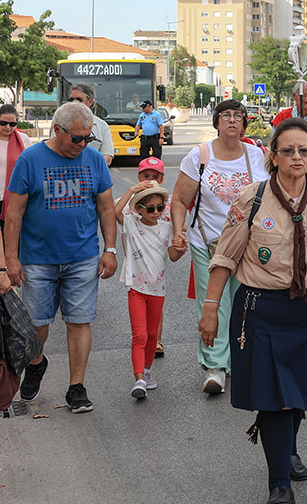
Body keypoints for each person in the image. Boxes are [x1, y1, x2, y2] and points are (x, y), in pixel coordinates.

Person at [199, 117, 307, 504]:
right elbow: (224, 257)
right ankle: (279, 484)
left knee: (299, 393)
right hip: (263, 310)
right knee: (274, 396)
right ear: (272, 157)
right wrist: (211, 309)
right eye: (287, 150)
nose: (296, 156)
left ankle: (287, 448)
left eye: (303, 150)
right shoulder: (251, 199)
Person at [5, 101, 117, 413]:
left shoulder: (93, 160)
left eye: (87, 138)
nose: (82, 145)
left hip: (82, 257)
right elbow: (13, 213)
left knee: (80, 321)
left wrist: (109, 249)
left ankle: (76, 387)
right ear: (57, 130)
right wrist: (11, 260)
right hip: (38, 258)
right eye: (76, 138)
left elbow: (106, 207)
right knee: (36, 325)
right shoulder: (30, 160)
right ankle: (37, 363)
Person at [171, 100, 268, 395]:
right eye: (225, 115)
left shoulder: (257, 156)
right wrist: (179, 232)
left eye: (238, 116)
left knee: (245, 305)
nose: (231, 121)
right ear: (216, 122)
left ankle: (241, 360)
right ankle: (214, 366)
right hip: (206, 242)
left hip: (246, 245)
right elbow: (178, 199)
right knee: (213, 305)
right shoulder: (199, 156)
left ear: (245, 124)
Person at [114, 181, 186, 399]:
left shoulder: (166, 229)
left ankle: (147, 371)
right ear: (138, 209)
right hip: (136, 288)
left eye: (160, 208)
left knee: (153, 335)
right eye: (150, 208)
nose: (156, 212)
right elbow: (116, 212)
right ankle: (139, 379)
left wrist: (181, 249)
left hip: (157, 289)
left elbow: (172, 257)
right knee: (140, 335)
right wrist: (133, 190)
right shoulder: (131, 224)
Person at [130, 156, 173, 358]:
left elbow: (177, 223)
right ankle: (141, 338)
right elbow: (117, 214)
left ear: (162, 179)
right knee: (139, 303)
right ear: (138, 176)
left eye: (155, 176)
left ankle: (156, 340)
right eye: (146, 176)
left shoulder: (166, 203)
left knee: (156, 304)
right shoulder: (134, 202)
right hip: (137, 264)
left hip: (157, 262)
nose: (150, 179)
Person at [0, 104, 31, 236]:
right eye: (3, 123)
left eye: (12, 124)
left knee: (12, 237)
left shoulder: (23, 139)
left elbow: (31, 165)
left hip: (14, 198)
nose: (8, 127)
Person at [66, 83, 114, 166]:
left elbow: (107, 158)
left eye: (79, 100)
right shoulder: (59, 124)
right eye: (71, 100)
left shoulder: (102, 126)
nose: (74, 103)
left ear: (90, 102)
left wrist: (86, 168)